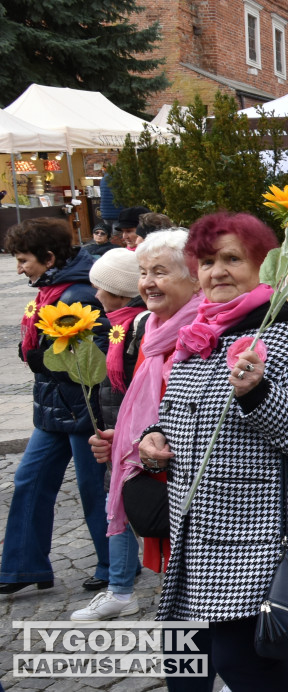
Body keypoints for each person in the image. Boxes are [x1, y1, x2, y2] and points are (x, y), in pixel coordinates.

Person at [139, 212, 288, 690]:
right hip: (194, 540)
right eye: (207, 262)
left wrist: (258, 393)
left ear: (263, 266)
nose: (217, 272)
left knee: (246, 666)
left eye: (232, 259)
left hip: (257, 542)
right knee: (183, 668)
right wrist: (153, 440)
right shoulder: (199, 338)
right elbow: (184, 418)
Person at [1, 219, 110, 596]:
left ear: (48, 258)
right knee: (29, 481)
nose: (18, 268)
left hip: (83, 411)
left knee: (94, 490)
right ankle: (22, 567)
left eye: (23, 260)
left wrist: (37, 357)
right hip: (54, 408)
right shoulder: (52, 290)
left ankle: (113, 567)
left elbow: (92, 363)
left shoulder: (76, 293)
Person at [101, 229, 201, 583]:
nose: (148, 283)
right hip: (159, 475)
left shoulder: (206, 333)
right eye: (143, 273)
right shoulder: (155, 331)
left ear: (195, 278)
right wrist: (124, 438)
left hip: (197, 489)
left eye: (160, 272)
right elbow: (150, 407)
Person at [71, 248, 147, 620]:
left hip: (138, 431)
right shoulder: (115, 327)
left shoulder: (131, 326)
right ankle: (120, 588)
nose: (97, 297)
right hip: (118, 425)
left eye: (104, 289)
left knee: (129, 505)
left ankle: (123, 587)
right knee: (115, 504)